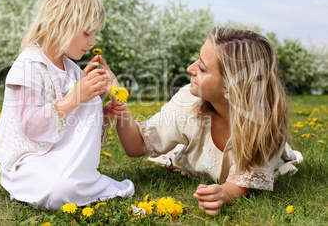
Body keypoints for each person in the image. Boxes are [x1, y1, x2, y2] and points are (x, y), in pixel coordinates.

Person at [110, 27, 302, 216]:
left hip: (258, 165)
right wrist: (120, 104)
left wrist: (223, 194)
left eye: (202, 68)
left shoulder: (264, 126)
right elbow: (136, 146)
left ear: (230, 89)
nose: (189, 69)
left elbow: (241, 183)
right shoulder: (187, 100)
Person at [0, 0, 134, 210]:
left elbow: (73, 127)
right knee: (59, 190)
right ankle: (82, 185)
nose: (93, 42)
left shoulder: (73, 70)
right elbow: (31, 126)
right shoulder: (29, 64)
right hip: (26, 160)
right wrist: (76, 96)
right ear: (60, 24)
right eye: (87, 33)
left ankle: (78, 182)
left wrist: (102, 115)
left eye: (95, 33)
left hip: (56, 155)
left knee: (91, 102)